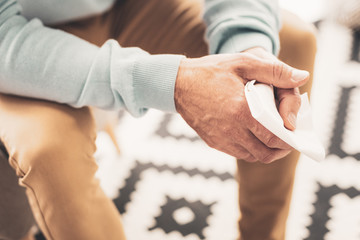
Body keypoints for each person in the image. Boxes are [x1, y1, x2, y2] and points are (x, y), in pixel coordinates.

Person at [0, 0, 317, 239]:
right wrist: (174, 83)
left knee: (290, 42)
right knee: (51, 153)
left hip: (122, 5)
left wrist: (248, 47)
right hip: (19, 34)